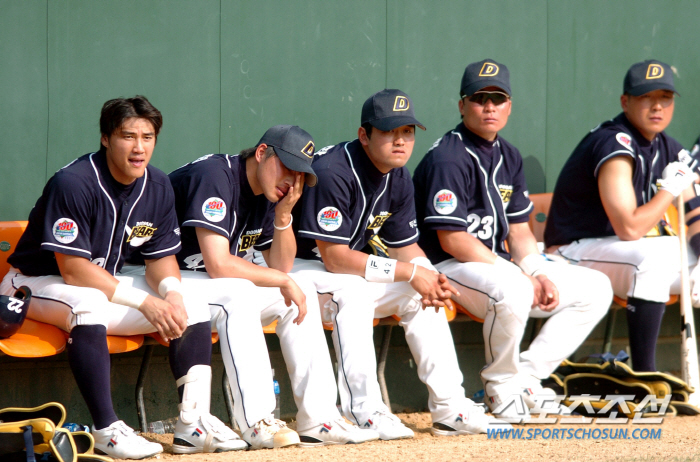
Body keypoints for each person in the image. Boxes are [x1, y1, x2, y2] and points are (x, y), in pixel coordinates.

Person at [0, 96, 245, 458]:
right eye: (128, 136)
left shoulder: (157, 186)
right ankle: (106, 429)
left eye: (147, 137)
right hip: (33, 283)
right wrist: (147, 303)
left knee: (190, 302)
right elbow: (72, 269)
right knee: (90, 302)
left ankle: (194, 423)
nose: (138, 147)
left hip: (102, 283)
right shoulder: (74, 182)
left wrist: (172, 296)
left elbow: (160, 259)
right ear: (105, 138)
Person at [291, 89, 510, 437]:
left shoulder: (399, 176)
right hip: (296, 268)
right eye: (390, 131)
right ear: (364, 135)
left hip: (343, 272)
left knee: (420, 295)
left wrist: (433, 279)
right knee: (356, 292)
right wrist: (412, 272)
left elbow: (404, 247)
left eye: (407, 132)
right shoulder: (333, 171)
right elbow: (334, 258)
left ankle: (450, 408)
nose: (401, 141)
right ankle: (366, 411)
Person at [412, 59, 613, 423]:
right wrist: (521, 276)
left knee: (596, 287)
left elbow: (519, 231)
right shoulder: (448, 157)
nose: (489, 106)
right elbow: (454, 239)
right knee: (515, 289)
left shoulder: (509, 155)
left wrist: (537, 270)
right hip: (448, 268)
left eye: (498, 98)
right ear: (462, 105)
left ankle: (528, 376)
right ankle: (500, 386)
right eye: (479, 98)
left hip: (494, 266)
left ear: (509, 105)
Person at [168, 125, 379, 448]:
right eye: (287, 168)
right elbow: (219, 264)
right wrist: (282, 279)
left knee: (300, 291)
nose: (292, 182)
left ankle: (319, 418)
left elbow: (281, 266)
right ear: (262, 152)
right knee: (240, 294)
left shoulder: (269, 195)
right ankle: (257, 422)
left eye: (300, 176)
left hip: (202, 286)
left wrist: (283, 215)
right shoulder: (216, 174)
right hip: (157, 277)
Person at [544, 59, 700, 372]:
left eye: (665, 98)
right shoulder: (613, 141)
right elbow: (629, 227)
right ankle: (646, 374)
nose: (657, 106)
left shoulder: (668, 146)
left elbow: (694, 212)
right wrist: (668, 191)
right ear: (625, 102)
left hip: (619, 252)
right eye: (646, 97)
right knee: (650, 260)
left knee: (664, 256)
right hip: (573, 251)